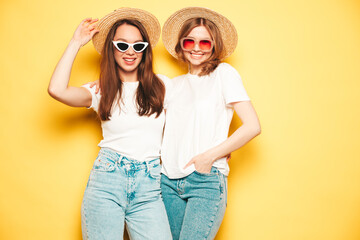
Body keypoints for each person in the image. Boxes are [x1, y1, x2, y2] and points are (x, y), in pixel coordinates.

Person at [48, 8, 172, 240]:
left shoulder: (163, 86)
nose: (130, 52)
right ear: (112, 48)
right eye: (122, 45)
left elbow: (190, 119)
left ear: (145, 51)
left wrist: (216, 150)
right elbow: (56, 90)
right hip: (108, 180)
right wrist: (76, 42)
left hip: (149, 186)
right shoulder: (100, 90)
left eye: (138, 46)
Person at [160, 7, 261, 240]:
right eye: (190, 41)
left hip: (203, 180)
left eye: (205, 43)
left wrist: (210, 156)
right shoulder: (173, 85)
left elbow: (252, 125)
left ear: (214, 46)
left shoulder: (224, 74)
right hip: (168, 181)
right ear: (181, 44)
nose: (196, 48)